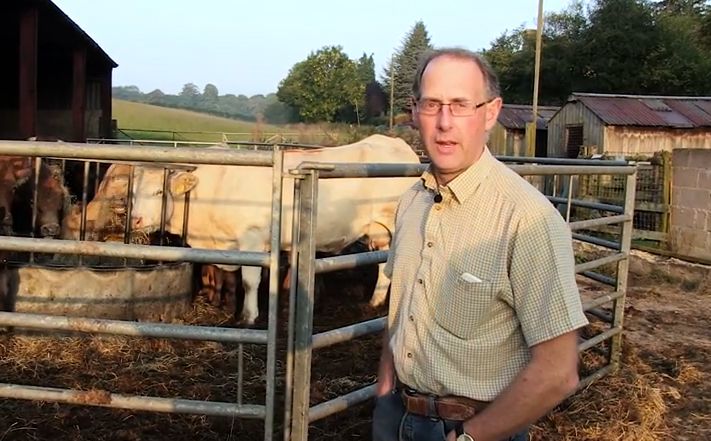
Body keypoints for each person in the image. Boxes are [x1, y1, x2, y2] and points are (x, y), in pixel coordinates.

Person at [372, 47, 589, 441]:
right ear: (414, 111)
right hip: (397, 417)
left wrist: (472, 436)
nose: (443, 122)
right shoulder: (411, 202)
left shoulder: (527, 219)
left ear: (490, 112)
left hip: (475, 427)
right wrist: (386, 387)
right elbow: (402, 308)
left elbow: (559, 371)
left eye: (460, 105)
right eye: (431, 104)